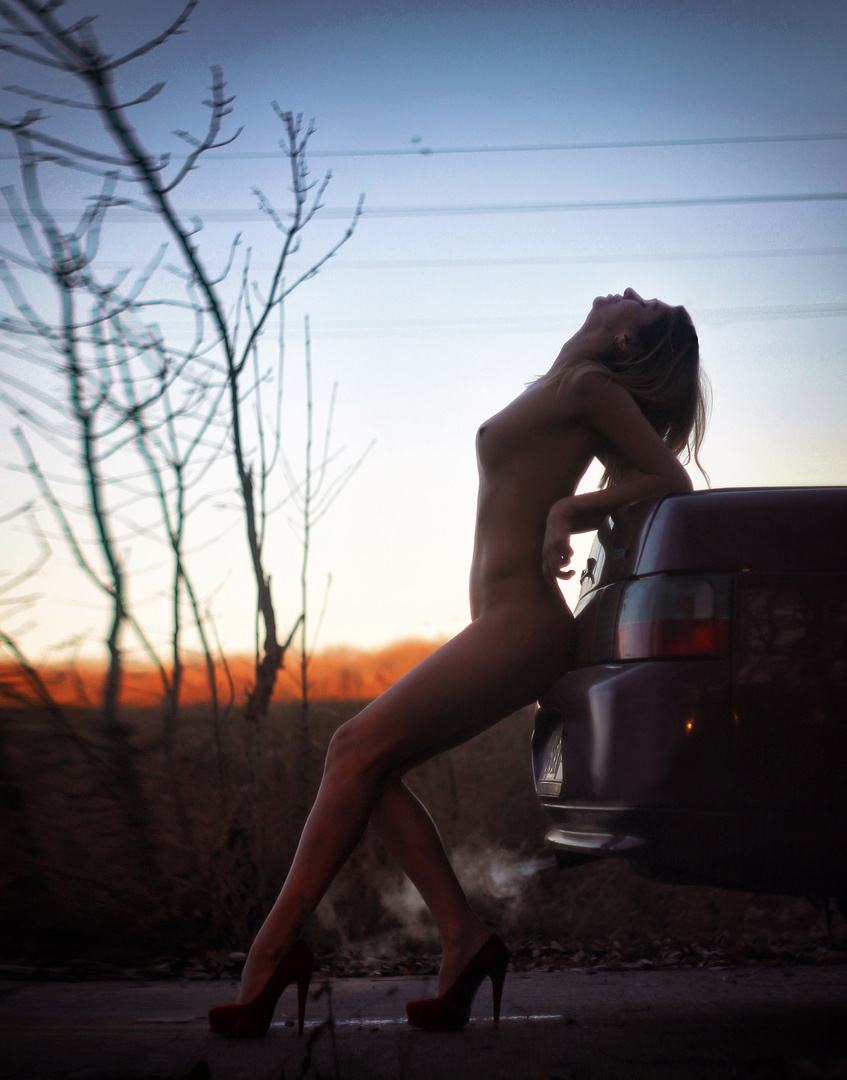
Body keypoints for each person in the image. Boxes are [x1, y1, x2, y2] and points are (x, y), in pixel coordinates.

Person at [209, 287, 708, 1037]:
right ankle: (463, 941)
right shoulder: (560, 385)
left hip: (525, 623)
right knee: (368, 768)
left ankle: (274, 949)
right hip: (503, 621)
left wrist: (570, 511)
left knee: (351, 747)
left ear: (627, 343)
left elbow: (670, 479)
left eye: (644, 304)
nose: (629, 292)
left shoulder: (589, 386)